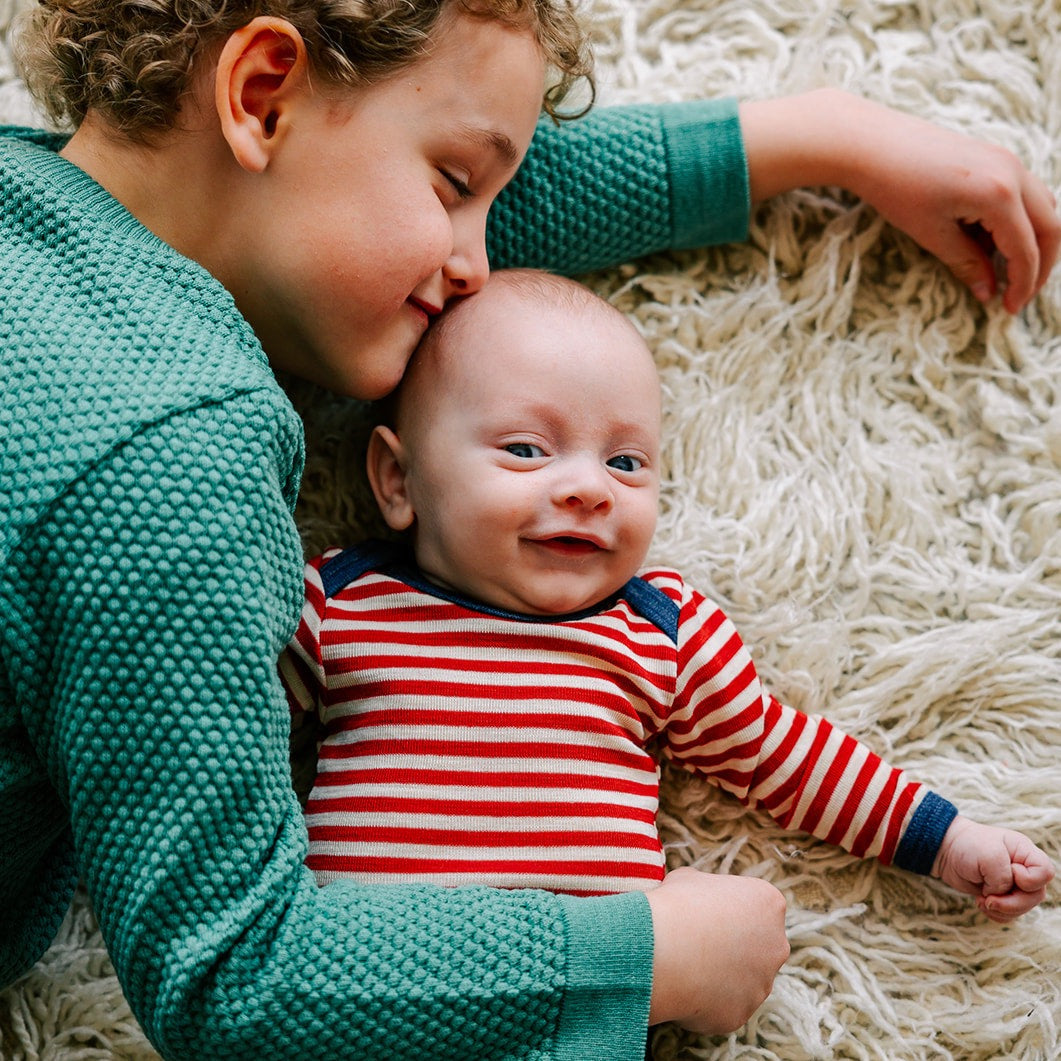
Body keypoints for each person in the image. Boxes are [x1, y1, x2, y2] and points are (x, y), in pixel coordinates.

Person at [1, 0, 1057, 1056]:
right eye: (457, 188)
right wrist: (647, 955)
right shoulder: (170, 458)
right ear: (260, 96)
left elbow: (508, 194)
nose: (476, 264)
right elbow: (240, 970)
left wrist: (821, 138)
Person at [279, 267, 1054, 927]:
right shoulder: (341, 603)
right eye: (525, 449)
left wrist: (946, 839)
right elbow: (219, 738)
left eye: (624, 461)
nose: (587, 488)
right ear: (398, 480)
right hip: (365, 986)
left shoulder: (660, 630)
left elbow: (784, 755)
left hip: (583, 1004)